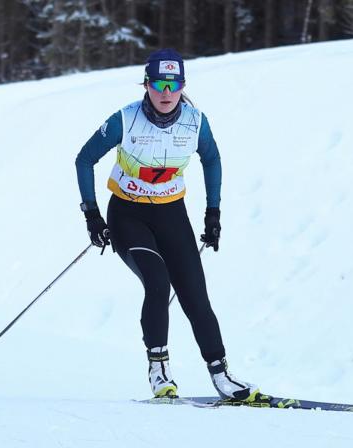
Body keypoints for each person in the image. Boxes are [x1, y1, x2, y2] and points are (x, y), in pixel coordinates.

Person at [75, 48, 268, 403]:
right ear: (147, 84)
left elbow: (212, 159)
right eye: (159, 84)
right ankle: (159, 370)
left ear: (182, 86)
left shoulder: (195, 121)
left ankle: (222, 375)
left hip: (171, 214)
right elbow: (84, 159)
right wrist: (92, 215)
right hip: (128, 216)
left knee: (196, 296)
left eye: (174, 84)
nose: (166, 92)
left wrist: (213, 214)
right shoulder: (124, 119)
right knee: (158, 283)